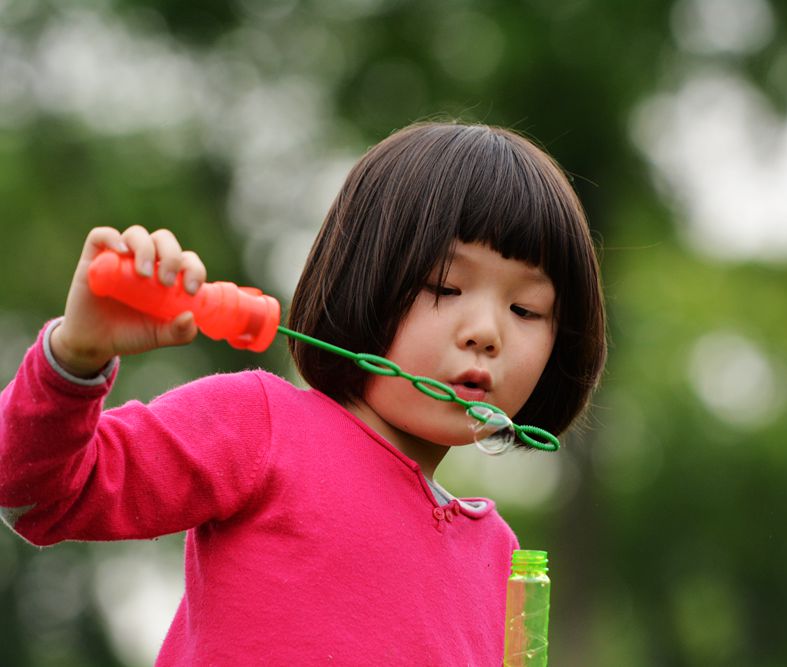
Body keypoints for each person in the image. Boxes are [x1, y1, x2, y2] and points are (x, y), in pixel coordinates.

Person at [0, 121, 606, 665]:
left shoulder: (499, 558)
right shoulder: (260, 426)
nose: (486, 333)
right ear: (363, 276)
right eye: (444, 285)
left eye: (526, 308)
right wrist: (74, 359)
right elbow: (38, 494)